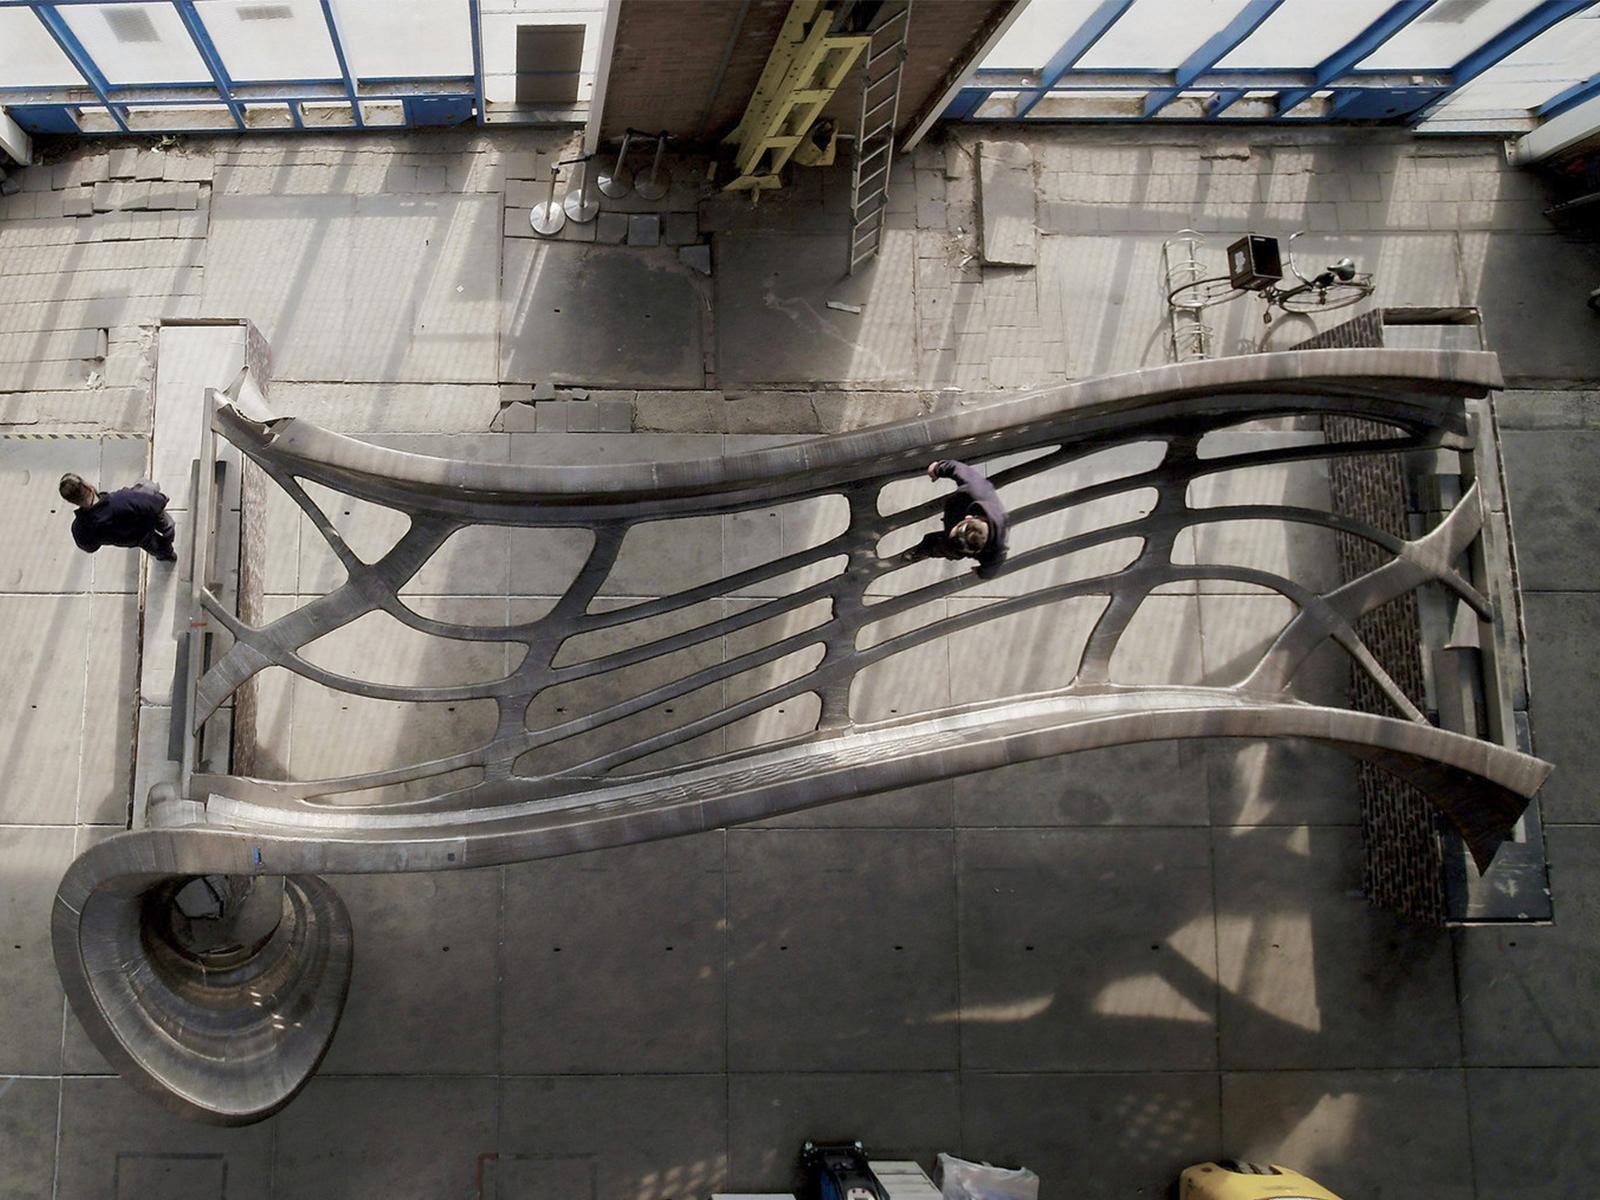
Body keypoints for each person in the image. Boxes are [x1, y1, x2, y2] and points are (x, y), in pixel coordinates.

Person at [903, 458, 1009, 578]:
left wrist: (981, 572)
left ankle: (926, 550)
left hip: (958, 543)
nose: (952, 536)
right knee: (950, 543)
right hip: (958, 508)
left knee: (945, 547)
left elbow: (992, 568)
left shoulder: (996, 550)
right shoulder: (978, 490)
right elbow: (959, 469)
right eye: (956, 531)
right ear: (968, 518)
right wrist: (938, 468)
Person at [60, 473, 177, 563]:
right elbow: (156, 503)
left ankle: (167, 555)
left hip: (134, 539)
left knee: (155, 547)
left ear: (72, 502)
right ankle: (167, 536)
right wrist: (161, 498)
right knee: (145, 486)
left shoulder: (80, 529)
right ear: (88, 486)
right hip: (146, 522)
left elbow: (90, 547)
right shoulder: (122, 499)